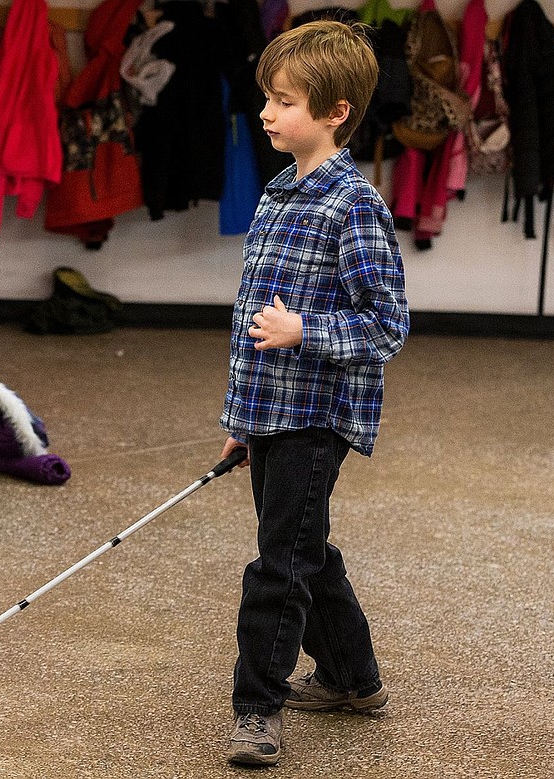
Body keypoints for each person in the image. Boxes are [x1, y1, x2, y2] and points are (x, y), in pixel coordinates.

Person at [218, 19, 410, 767]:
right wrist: (241, 420)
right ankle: (353, 679)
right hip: (269, 413)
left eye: (285, 101)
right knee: (304, 548)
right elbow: (250, 326)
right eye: (268, 98)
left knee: (279, 564)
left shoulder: (353, 206)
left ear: (334, 113)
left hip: (315, 417)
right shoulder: (276, 196)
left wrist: (306, 330)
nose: (267, 113)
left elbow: (386, 325)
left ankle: (257, 707)